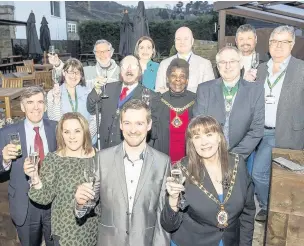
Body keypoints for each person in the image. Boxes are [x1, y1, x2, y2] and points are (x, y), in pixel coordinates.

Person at [75, 99, 170, 246]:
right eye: (127, 123)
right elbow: (89, 203)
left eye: (139, 123)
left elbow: (161, 217)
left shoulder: (163, 162)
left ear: (149, 125)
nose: (133, 130)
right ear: (120, 125)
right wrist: (81, 203)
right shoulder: (102, 158)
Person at [161, 115, 255, 246]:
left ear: (219, 137)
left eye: (209, 134)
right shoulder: (182, 171)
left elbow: (248, 212)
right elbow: (169, 225)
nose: (204, 142)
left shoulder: (238, 165)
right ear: (192, 142)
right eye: (197, 137)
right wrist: (172, 200)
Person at [252, 26, 304, 222]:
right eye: (274, 41)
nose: (278, 46)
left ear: (292, 44)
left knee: (266, 174)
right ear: (269, 44)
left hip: (288, 132)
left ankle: (272, 208)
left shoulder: (301, 69)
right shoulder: (260, 69)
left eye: (284, 42)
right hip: (259, 132)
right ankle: (270, 206)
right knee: (259, 175)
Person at [25, 112, 98, 246]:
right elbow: (44, 198)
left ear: (85, 132)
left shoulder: (98, 156)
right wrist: (35, 177)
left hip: (93, 230)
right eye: (66, 132)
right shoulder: (54, 159)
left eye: (77, 131)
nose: (72, 137)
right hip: (65, 233)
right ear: (61, 134)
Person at [0, 86, 57, 246]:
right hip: (25, 203)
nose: (36, 107)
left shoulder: (56, 128)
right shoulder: (7, 133)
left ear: (45, 105)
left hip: (53, 201)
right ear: (23, 107)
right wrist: (4, 159)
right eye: (30, 102)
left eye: (40, 102)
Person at [193, 46, 264, 159]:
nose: (227, 66)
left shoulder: (255, 90)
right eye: (223, 62)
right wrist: (211, 153)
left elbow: (256, 130)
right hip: (208, 155)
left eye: (232, 61)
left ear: (241, 64)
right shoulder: (204, 89)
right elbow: (198, 126)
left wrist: (234, 157)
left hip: (240, 158)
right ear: (217, 66)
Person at [87, 55, 159, 149]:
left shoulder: (150, 96)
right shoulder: (108, 88)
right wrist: (96, 90)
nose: (129, 70)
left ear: (139, 71)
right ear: (120, 71)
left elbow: (154, 131)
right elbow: (91, 108)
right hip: (104, 150)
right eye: (125, 66)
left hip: (130, 152)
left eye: (133, 66)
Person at [152, 58, 196, 162]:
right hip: (163, 160)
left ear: (187, 80)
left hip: (190, 161)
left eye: (182, 76)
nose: (178, 79)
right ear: (167, 79)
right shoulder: (157, 101)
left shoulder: (197, 101)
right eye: (173, 76)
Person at [47, 58, 97, 143]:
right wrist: (57, 100)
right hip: (66, 142)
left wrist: (86, 137)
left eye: (77, 73)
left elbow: (96, 118)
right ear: (63, 73)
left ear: (81, 75)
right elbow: (55, 122)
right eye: (70, 72)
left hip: (88, 141)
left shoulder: (89, 92)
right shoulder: (53, 93)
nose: (73, 76)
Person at [155, 26, 215, 93]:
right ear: (174, 42)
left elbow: (209, 91)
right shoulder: (164, 64)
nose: (182, 42)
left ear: (192, 41)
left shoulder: (205, 64)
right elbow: (158, 91)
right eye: (178, 39)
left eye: (186, 39)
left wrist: (174, 92)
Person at [49, 39, 120, 91]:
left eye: (105, 51)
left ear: (111, 52)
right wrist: (58, 64)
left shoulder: (121, 72)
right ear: (94, 54)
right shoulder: (86, 71)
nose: (102, 54)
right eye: (98, 52)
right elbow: (68, 74)